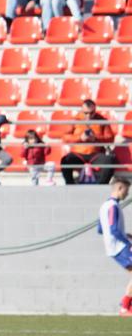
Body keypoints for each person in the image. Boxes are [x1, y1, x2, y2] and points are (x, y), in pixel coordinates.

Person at [60, 99, 117, 185]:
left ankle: (101, 185)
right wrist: (80, 138)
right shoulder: (75, 120)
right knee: (65, 160)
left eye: (91, 113)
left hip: (95, 154)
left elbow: (110, 138)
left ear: (95, 110)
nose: (89, 116)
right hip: (78, 153)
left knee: (109, 160)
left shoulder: (102, 121)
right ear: (81, 111)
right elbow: (65, 138)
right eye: (86, 113)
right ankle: (70, 185)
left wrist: (95, 138)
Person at [98, 177, 132, 317]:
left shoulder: (104, 206)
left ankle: (126, 306)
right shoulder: (113, 206)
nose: (127, 194)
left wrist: (126, 235)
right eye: (126, 190)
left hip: (113, 246)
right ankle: (124, 307)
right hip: (119, 247)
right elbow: (113, 229)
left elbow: (100, 229)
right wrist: (128, 243)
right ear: (119, 188)